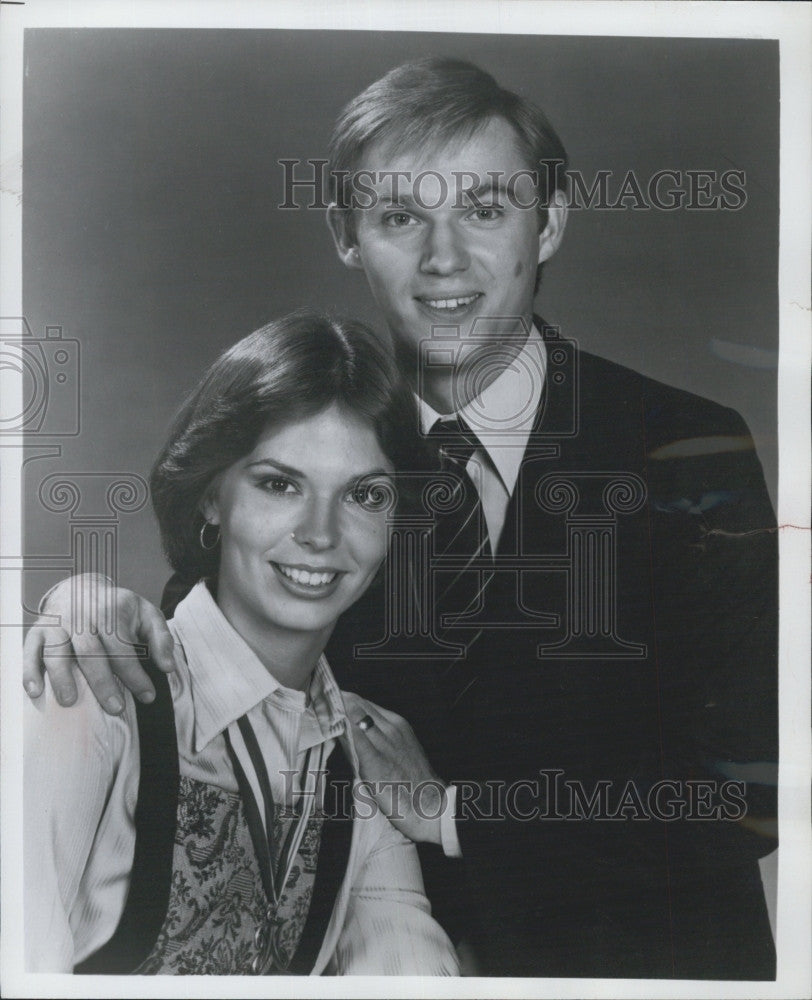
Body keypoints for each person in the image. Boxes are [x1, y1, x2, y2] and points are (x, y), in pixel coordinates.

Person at [24, 59, 778, 979]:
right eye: (398, 218)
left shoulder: (683, 447)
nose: (443, 260)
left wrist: (451, 812)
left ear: (551, 223)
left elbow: (752, 798)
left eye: (486, 210)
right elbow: (208, 647)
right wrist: (83, 602)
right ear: (346, 235)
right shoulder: (327, 448)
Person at [24, 311, 458, 975]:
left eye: (364, 495)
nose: (321, 533)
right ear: (211, 498)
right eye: (279, 484)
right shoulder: (92, 682)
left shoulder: (364, 766)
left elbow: (413, 981)